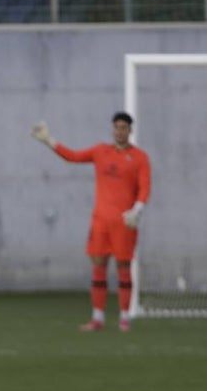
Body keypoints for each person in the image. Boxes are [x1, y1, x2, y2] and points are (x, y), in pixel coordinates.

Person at [31, 111, 152, 332]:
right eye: (116, 127)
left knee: (124, 268)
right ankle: (98, 317)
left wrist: (137, 209)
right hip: (100, 222)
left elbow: (144, 188)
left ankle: (125, 317)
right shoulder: (100, 151)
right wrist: (49, 140)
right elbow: (73, 156)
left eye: (124, 128)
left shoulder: (140, 158)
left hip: (124, 223)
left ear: (130, 131)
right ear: (112, 129)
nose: (120, 131)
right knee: (98, 267)